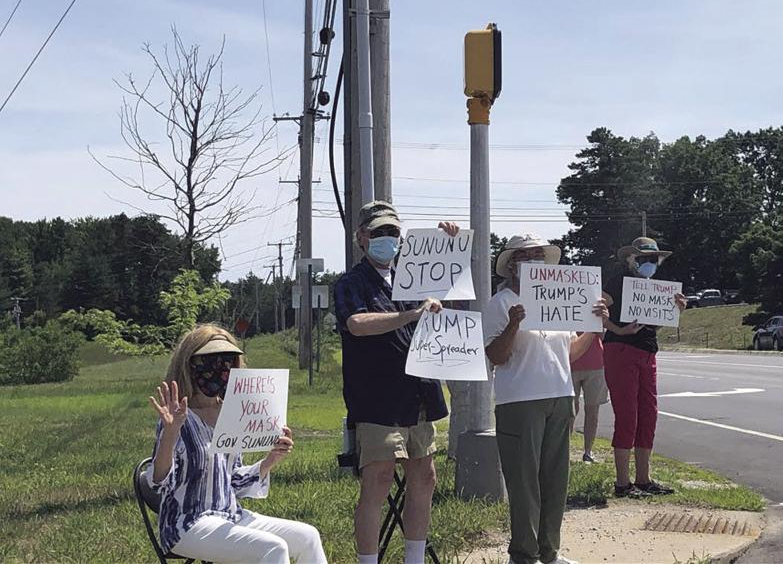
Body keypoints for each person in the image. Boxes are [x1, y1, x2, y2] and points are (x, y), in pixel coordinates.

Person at [334, 201, 459, 564]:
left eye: (392, 232)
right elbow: (357, 324)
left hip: (419, 393)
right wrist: (410, 314)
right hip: (377, 398)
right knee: (378, 479)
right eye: (378, 232)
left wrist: (447, 245)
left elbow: (449, 286)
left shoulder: (415, 276)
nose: (386, 239)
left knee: (425, 476)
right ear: (361, 236)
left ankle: (414, 559)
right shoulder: (351, 283)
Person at [146, 324, 327, 564]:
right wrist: (169, 434)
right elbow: (159, 483)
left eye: (227, 361)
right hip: (187, 523)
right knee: (273, 548)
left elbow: (232, 480)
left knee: (308, 536)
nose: (221, 368)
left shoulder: (231, 412)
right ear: (190, 364)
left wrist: (268, 462)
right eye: (210, 360)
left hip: (231, 514)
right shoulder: (178, 416)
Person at [484, 234, 609, 564]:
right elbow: (496, 356)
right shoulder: (500, 303)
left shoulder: (555, 300)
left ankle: (549, 552)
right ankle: (523, 555)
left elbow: (569, 352)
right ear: (511, 264)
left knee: (555, 481)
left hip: (560, 396)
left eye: (539, 254)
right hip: (520, 402)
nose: (534, 259)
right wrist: (513, 324)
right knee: (524, 483)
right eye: (526, 255)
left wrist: (594, 328)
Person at [602, 237, 687, 498]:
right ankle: (622, 482)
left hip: (647, 351)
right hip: (620, 350)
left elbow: (651, 325)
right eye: (643, 258)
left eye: (653, 259)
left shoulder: (656, 289)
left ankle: (643, 478)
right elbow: (595, 310)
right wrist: (619, 329)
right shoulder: (617, 281)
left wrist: (675, 311)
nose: (649, 263)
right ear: (631, 259)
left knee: (648, 415)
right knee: (627, 416)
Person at [570, 332, 608, 463]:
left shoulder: (597, 312)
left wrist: (600, 327)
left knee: (592, 411)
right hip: (570, 363)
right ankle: (565, 450)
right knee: (570, 411)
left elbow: (606, 338)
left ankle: (588, 451)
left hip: (596, 364)